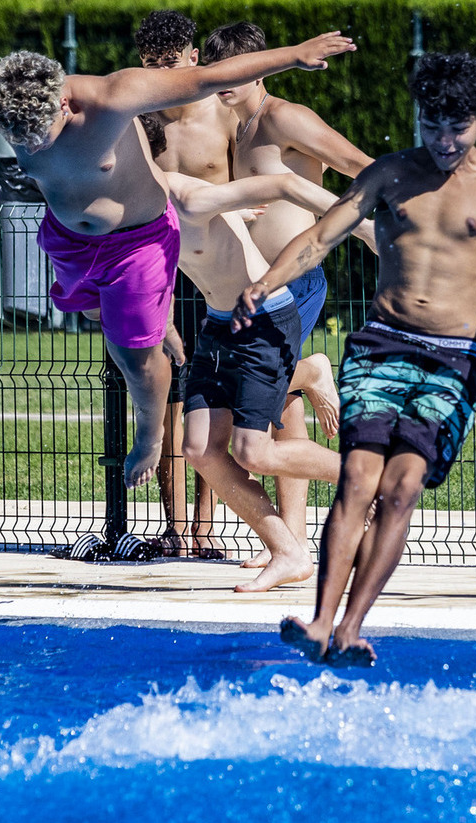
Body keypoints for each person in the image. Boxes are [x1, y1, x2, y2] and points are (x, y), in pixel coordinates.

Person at [0, 5, 357, 491]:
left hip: (152, 246)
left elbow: (210, 77)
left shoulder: (116, 95)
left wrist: (294, 54)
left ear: (61, 105)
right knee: (113, 331)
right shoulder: (1, 92)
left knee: (141, 356)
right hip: (69, 242)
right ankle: (185, 347)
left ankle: (150, 432)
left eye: (39, 135)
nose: (31, 148)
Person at [233, 52, 476, 662]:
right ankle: (320, 623)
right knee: (358, 477)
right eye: (430, 126)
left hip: (451, 358)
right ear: (417, 117)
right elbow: (320, 236)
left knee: (402, 487)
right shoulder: (391, 175)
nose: (443, 142)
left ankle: (351, 628)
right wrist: (264, 284)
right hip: (382, 345)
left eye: (457, 128)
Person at [203, 22, 376, 568]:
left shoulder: (285, 117)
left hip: (294, 282)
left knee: (261, 395)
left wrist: (372, 229)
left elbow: (363, 168)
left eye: (235, 69)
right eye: (217, 71)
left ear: (262, 66)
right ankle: (293, 540)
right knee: (279, 410)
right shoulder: (237, 129)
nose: (225, 81)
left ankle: (313, 371)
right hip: (256, 283)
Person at [162, 166, 349, 592]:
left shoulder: (187, 196)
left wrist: (364, 225)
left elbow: (286, 183)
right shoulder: (133, 211)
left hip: (264, 319)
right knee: (199, 447)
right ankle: (288, 551)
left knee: (254, 451)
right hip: (217, 324)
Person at [134, 10, 236, 557]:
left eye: (171, 65)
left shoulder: (224, 117)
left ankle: (205, 527)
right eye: (152, 67)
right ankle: (175, 530)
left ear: (194, 59)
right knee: (169, 401)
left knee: (212, 402)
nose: (163, 77)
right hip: (162, 273)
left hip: (218, 274)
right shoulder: (141, 123)